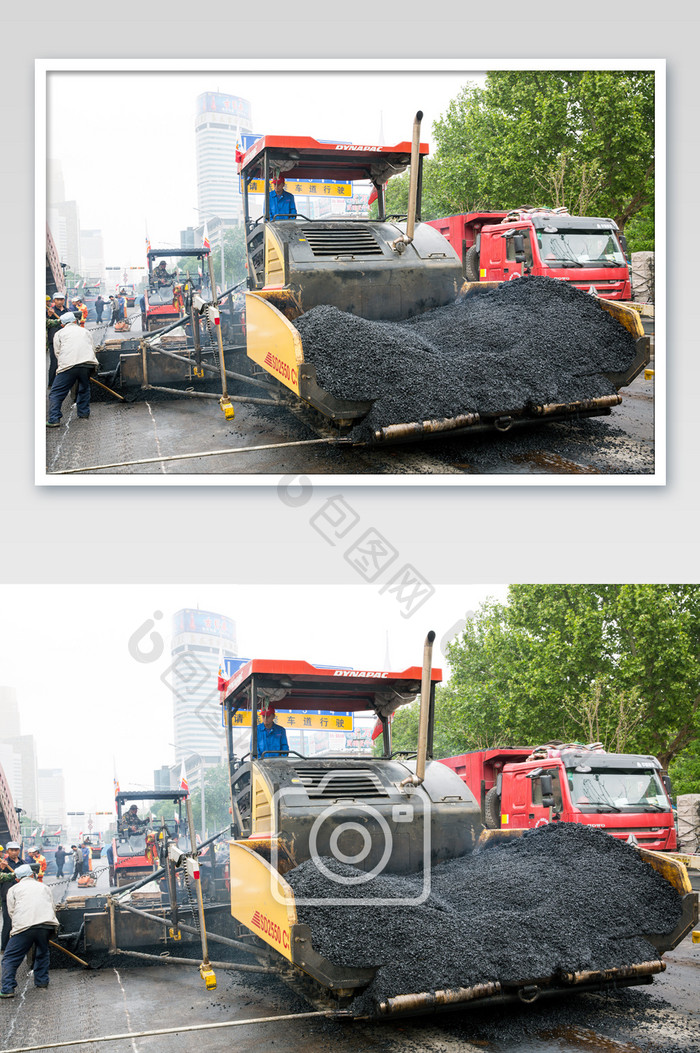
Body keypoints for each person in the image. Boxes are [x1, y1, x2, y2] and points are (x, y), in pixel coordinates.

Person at [1, 864, 59, 997]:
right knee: (42, 952)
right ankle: (42, 981)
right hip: (46, 924)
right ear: (32, 875)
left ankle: (7, 989)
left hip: (24, 927)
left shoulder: (14, 889)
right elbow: (52, 906)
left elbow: (11, 912)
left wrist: (19, 927)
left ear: (17, 879)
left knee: (10, 958)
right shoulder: (43, 886)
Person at [46, 312, 99, 427]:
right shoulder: (85, 331)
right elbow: (92, 348)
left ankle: (54, 419)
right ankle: (83, 413)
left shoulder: (59, 333)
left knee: (56, 392)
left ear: (62, 324)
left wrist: (64, 366)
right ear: (75, 321)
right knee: (84, 388)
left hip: (69, 365)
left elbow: (57, 353)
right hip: (87, 363)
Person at [0, 843, 29, 953]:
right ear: (7, 851)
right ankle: (5, 948)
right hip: (7, 897)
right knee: (8, 922)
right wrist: (1, 869)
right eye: (11, 850)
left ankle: (22, 947)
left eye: (16, 850)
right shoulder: (3, 863)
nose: (14, 852)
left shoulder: (24, 864)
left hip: (22, 896)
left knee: (23, 921)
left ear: (19, 851)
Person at [46, 292, 67, 387]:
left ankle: (64, 383)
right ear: (54, 301)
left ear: (64, 300)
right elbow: (45, 323)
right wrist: (49, 315)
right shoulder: (49, 311)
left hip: (65, 340)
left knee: (65, 362)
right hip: (53, 340)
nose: (59, 301)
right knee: (54, 362)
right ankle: (51, 384)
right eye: (57, 299)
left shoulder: (67, 311)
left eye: (61, 299)